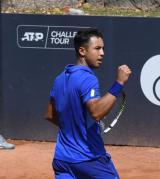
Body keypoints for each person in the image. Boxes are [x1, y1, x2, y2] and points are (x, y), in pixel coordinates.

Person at [45, 28, 131, 179]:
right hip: (88, 159)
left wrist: (76, 127)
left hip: (62, 160)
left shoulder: (59, 78)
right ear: (82, 51)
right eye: (97, 48)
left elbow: (50, 115)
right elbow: (96, 112)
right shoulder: (87, 78)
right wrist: (119, 83)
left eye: (103, 48)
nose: (102, 53)